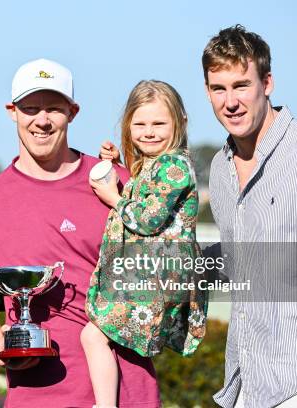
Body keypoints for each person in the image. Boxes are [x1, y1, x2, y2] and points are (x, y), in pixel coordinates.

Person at [0, 58, 161, 407]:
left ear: (73, 111)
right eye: (31, 108)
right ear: (12, 111)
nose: (42, 120)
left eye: (54, 108)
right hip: (36, 397)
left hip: (126, 395)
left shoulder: (117, 183)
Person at [203, 25, 297, 407]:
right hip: (247, 382)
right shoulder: (220, 168)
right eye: (219, 89)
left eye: (241, 85)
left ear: (266, 83)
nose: (230, 101)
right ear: (207, 91)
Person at [81, 80, 208, 407]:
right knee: (96, 335)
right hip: (148, 276)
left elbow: (149, 218)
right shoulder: (157, 165)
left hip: (156, 278)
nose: (149, 131)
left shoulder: (175, 166)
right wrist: (119, 160)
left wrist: (113, 197)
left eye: (159, 123)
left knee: (92, 334)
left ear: (178, 123)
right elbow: (148, 190)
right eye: (140, 124)